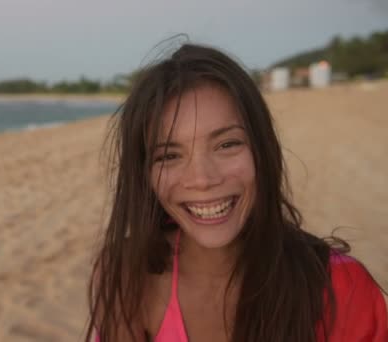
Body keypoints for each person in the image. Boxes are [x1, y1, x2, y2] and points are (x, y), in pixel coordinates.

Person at [85, 43, 387, 342]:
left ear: (262, 148)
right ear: (144, 173)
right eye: (169, 155)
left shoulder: (340, 288)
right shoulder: (126, 274)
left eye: (227, 144)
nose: (202, 179)